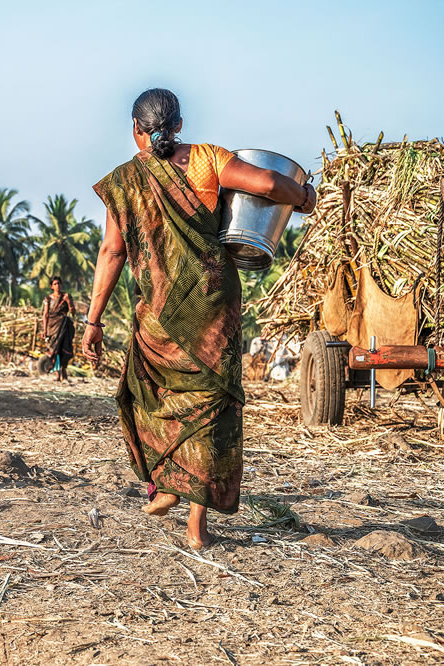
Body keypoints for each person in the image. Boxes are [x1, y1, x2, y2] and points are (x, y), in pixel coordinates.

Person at [83, 89, 316, 549]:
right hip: (213, 304)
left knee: (153, 396)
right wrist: (304, 196)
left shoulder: (123, 180)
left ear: (135, 129)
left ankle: (167, 482)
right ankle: (196, 527)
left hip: (157, 311)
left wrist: (92, 322)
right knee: (211, 407)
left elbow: (111, 251)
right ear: (181, 125)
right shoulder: (208, 159)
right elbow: (270, 185)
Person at [41, 276, 76, 382]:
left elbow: (73, 312)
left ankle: (64, 372)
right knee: (54, 350)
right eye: (55, 284)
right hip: (53, 327)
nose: (57, 286)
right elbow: (46, 314)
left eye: (59, 283)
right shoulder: (48, 299)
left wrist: (69, 302)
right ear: (51, 286)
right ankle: (57, 373)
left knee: (65, 349)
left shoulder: (66, 296)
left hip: (64, 326)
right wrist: (45, 330)